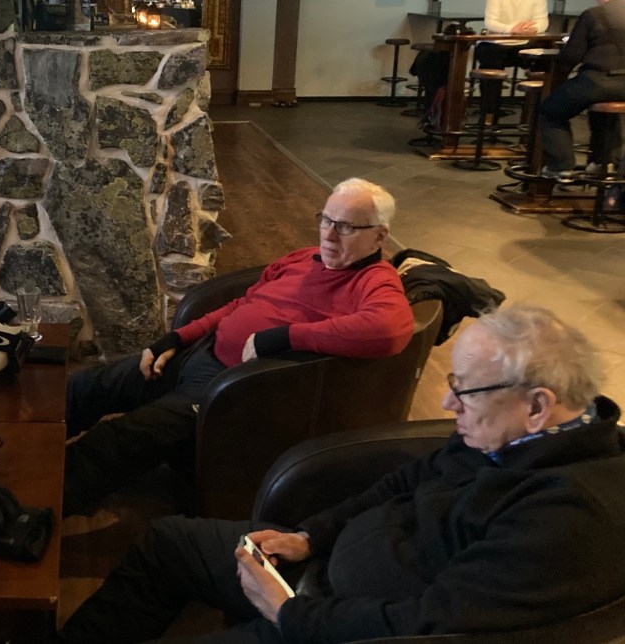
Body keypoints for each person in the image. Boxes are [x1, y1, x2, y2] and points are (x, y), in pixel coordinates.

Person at [59, 304, 625, 643]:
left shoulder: (566, 518)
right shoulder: (505, 436)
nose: (447, 404)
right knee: (167, 542)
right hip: (321, 572)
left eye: (465, 391)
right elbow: (403, 482)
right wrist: (311, 536)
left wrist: (291, 614)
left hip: (341, 629)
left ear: (538, 405)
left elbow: (432, 626)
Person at [63, 178, 415, 517]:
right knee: (87, 386)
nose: (328, 234)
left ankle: (42, 507)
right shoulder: (302, 258)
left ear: (379, 236)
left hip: (231, 388)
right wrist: (179, 337)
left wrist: (285, 336)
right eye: (325, 220)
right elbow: (243, 304)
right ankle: (33, 453)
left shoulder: (374, 280)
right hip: (198, 354)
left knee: (116, 440)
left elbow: (389, 330)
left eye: (346, 227)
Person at [540, 0, 625, 179]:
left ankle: (561, 166)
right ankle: (604, 163)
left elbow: (571, 56)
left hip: (598, 81)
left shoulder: (593, 14)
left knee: (551, 111)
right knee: (603, 111)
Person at [477, 0, 550, 69]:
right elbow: (490, 23)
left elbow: (542, 21)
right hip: (497, 44)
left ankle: (540, 80)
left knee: (546, 54)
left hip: (525, 43)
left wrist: (534, 29)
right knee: (489, 55)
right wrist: (512, 29)